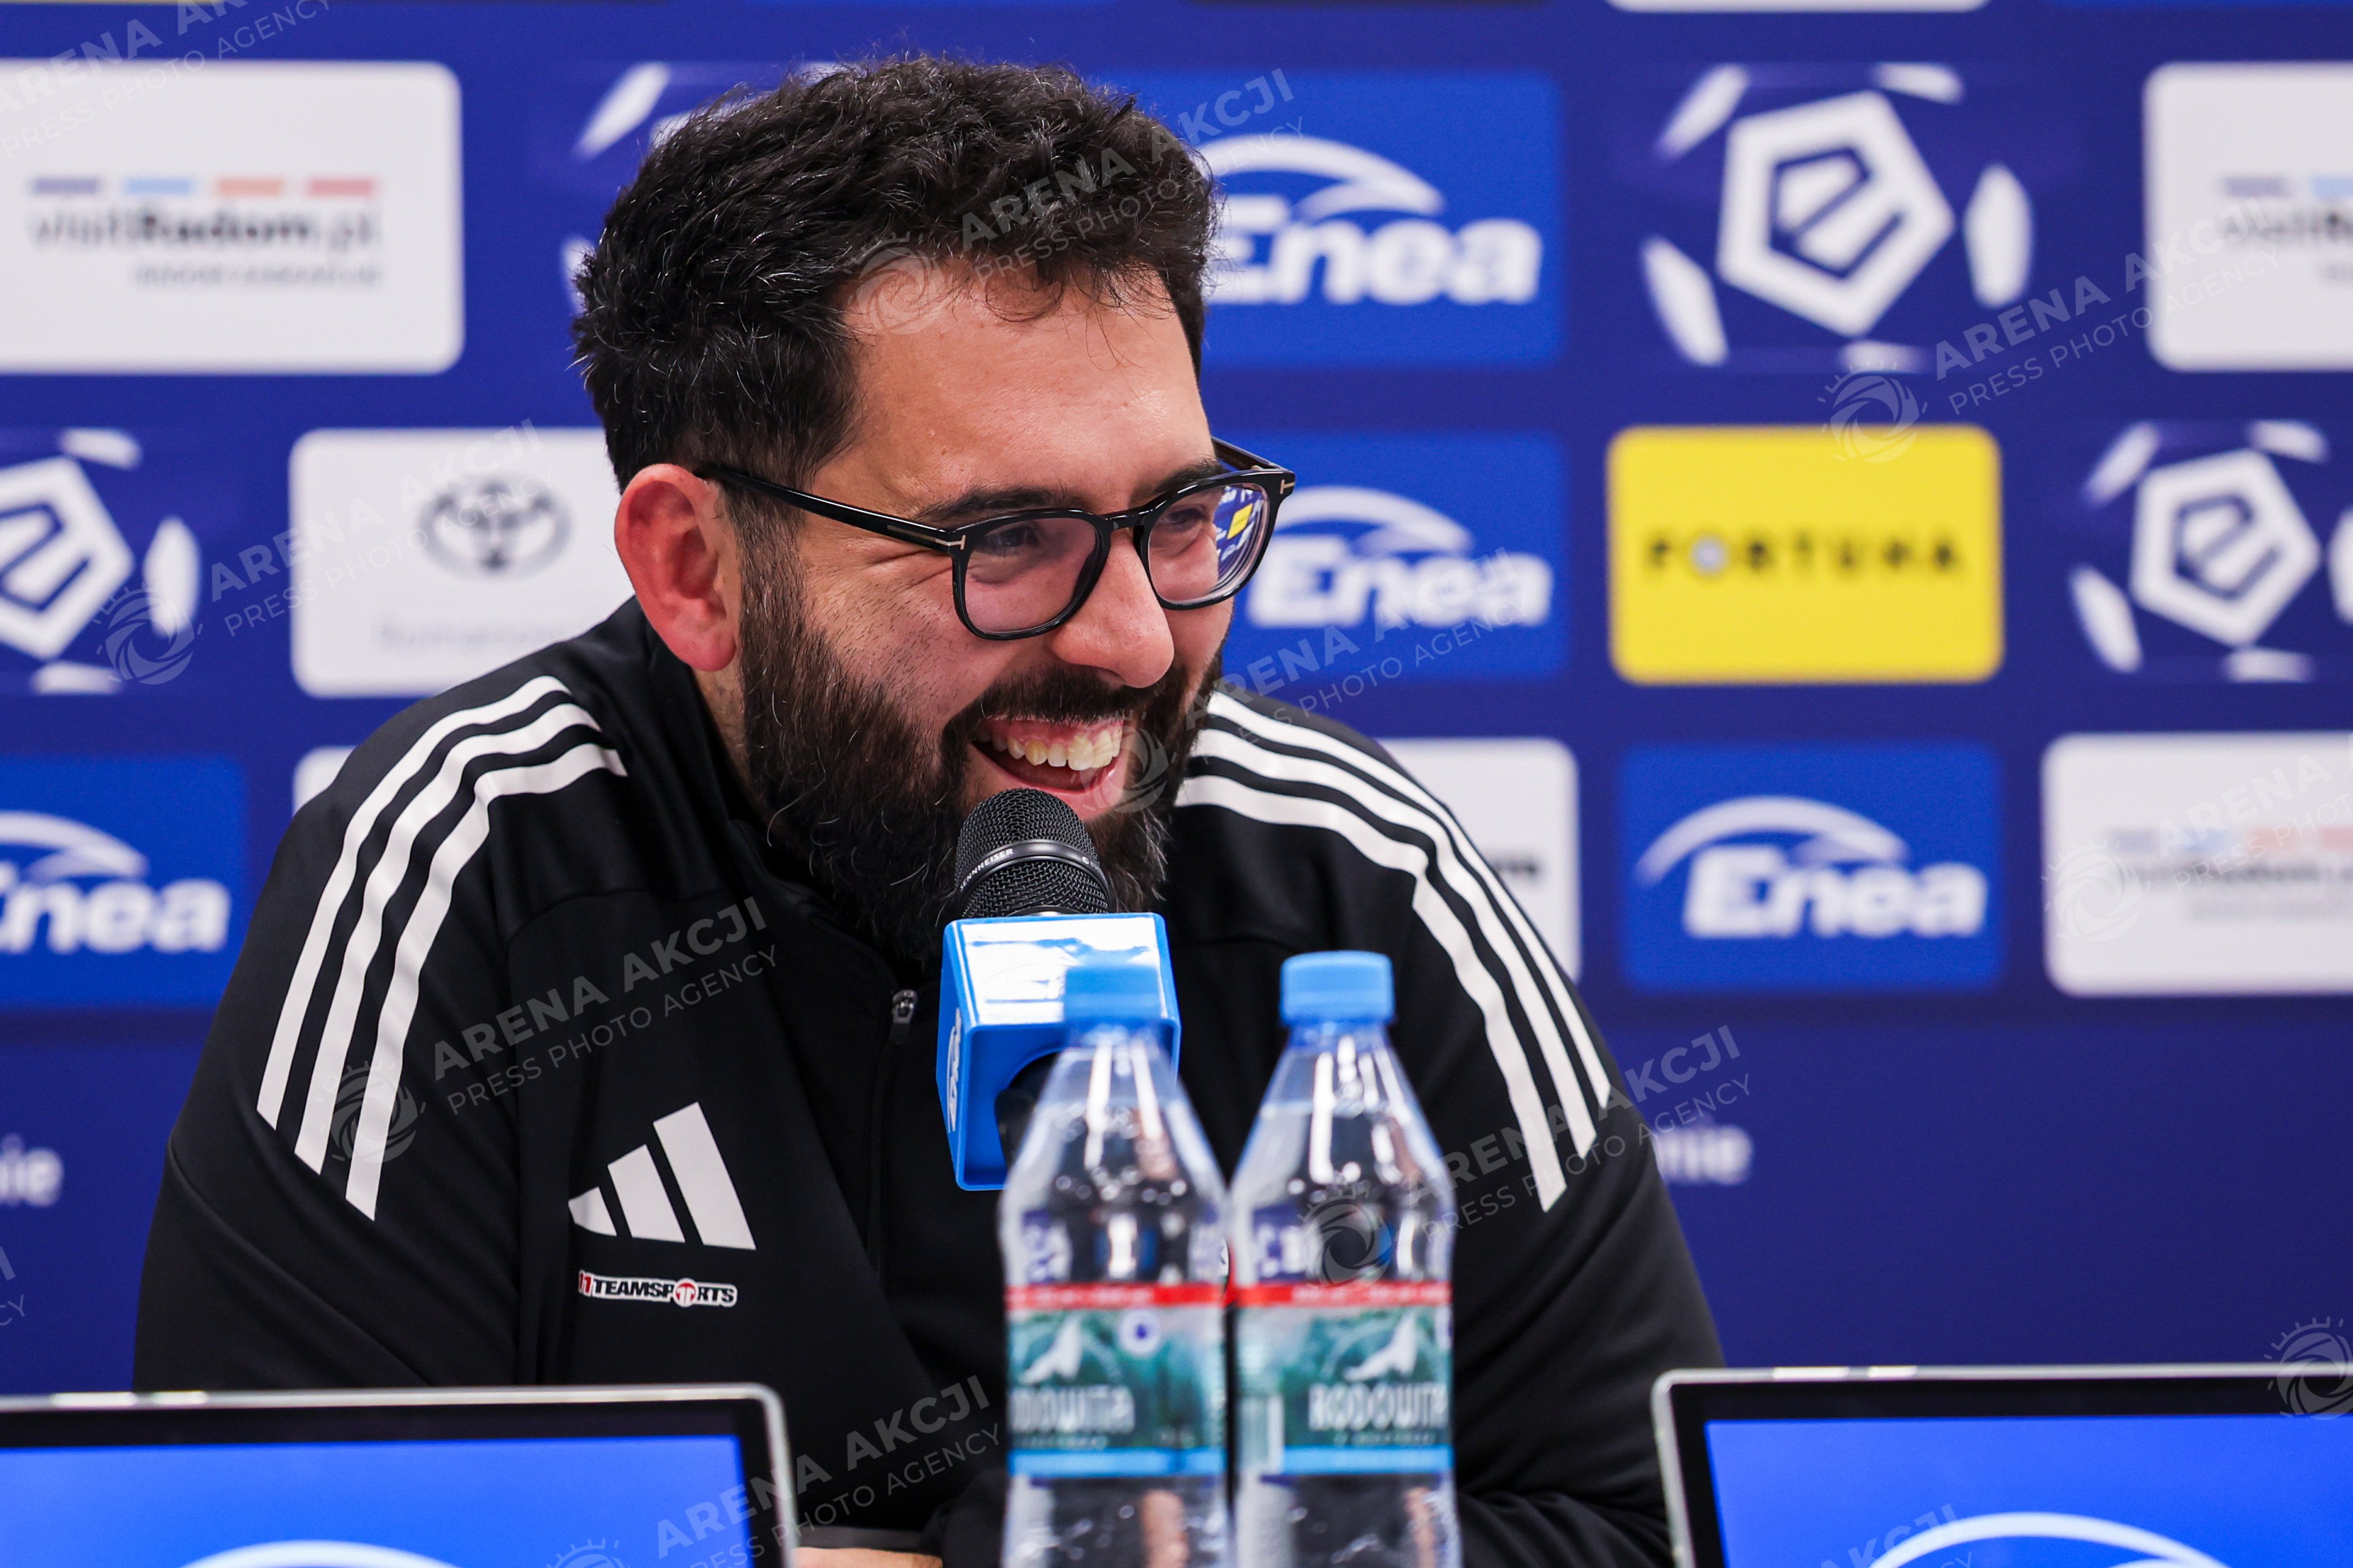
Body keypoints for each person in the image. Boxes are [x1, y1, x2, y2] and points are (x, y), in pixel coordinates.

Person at [135, 57, 1721, 1567]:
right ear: (695, 568)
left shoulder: (1346, 873)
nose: (1137, 643)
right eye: (1007, 539)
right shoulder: (463, 867)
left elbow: (1654, 1529)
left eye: (1180, 517)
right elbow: (283, 1539)